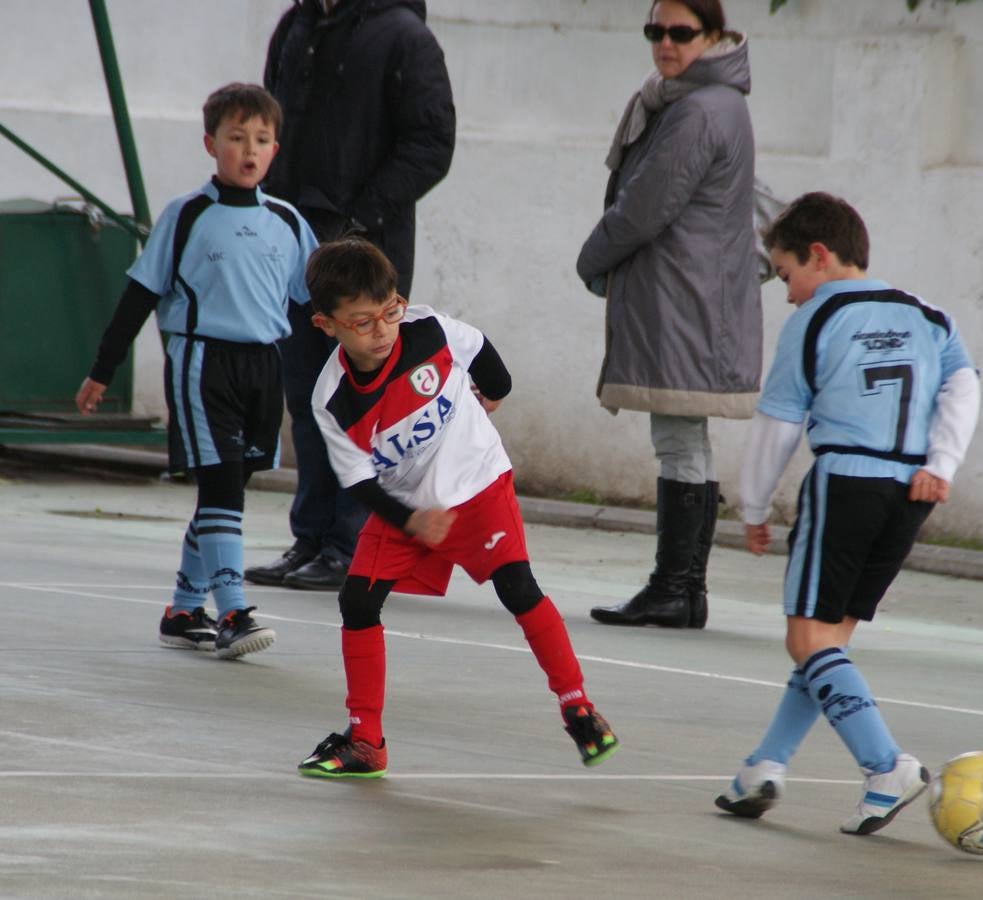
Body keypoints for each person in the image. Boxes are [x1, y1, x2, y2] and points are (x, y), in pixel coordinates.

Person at [294, 239, 619, 777]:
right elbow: (360, 483)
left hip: (479, 483)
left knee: (517, 586)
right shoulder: (332, 401)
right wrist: (410, 520)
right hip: (406, 505)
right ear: (326, 325)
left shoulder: (430, 330)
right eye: (362, 322)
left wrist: (490, 394)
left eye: (389, 311)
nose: (382, 330)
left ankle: (577, 705)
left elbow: (489, 361)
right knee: (357, 601)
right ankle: (366, 741)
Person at [714, 192, 981, 835]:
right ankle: (765, 766)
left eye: (786, 276)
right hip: (908, 496)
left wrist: (754, 504)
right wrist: (940, 466)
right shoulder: (930, 314)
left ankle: (885, 764)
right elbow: (964, 387)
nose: (788, 295)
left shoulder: (814, 321)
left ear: (819, 256)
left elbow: (778, 423)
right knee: (828, 643)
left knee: (806, 638)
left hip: (846, 481)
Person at [74, 83, 318, 658]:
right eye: (236, 138)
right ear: (211, 144)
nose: (249, 149)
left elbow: (316, 302)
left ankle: (185, 609)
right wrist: (101, 371)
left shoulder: (286, 221)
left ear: (275, 150)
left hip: (265, 366)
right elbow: (138, 296)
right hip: (202, 363)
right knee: (222, 487)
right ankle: (233, 610)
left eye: (261, 139)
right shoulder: (186, 215)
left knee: (227, 490)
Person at [245, 0, 456, 591]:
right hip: (296, 252)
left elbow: (431, 144)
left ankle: (353, 543)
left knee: (362, 409)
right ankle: (312, 537)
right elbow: (272, 127)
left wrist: (357, 219)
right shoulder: (298, 24)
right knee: (309, 399)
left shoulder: (404, 36)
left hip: (363, 256)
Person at [577, 0, 761, 630]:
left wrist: (591, 256)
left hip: (683, 295)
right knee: (687, 442)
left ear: (712, 36)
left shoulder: (698, 110)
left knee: (679, 442)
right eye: (655, 30)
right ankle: (684, 591)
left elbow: (643, 207)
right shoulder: (710, 101)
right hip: (694, 293)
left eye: (681, 33)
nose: (665, 43)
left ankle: (673, 588)